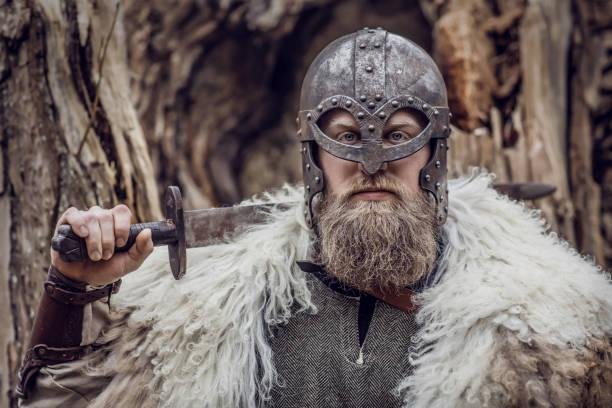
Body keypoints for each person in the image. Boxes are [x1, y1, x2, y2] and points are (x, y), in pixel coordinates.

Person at [17, 29, 612, 408]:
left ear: (436, 152)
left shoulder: (545, 326)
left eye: (401, 136)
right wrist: (69, 289)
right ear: (314, 156)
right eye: (349, 136)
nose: (374, 162)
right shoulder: (206, 320)